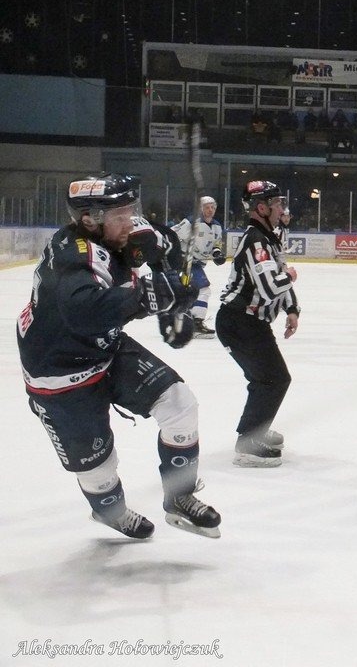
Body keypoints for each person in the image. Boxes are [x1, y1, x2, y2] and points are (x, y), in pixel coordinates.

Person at [16, 173, 221, 539]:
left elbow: (164, 243)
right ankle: (110, 513)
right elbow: (83, 311)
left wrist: (173, 295)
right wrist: (149, 298)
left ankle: (179, 496)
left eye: (131, 210)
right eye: (121, 215)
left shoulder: (115, 230)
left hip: (104, 347)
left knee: (180, 405)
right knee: (98, 466)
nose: (131, 220)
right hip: (58, 372)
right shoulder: (72, 256)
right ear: (90, 219)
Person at [216, 180, 300, 467]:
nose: (281, 208)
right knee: (274, 379)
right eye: (277, 204)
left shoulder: (268, 238)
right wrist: (290, 276)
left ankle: (255, 431)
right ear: (261, 208)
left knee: (267, 378)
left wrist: (292, 308)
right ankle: (249, 442)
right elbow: (269, 286)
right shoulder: (256, 241)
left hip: (248, 323)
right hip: (240, 323)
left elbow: (276, 279)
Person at [171, 196, 226, 337]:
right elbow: (173, 235)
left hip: (196, 264)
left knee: (189, 292)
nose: (210, 210)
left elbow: (216, 244)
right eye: (207, 207)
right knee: (204, 290)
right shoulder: (191, 222)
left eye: (212, 207)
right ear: (200, 208)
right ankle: (196, 323)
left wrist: (217, 254)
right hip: (186, 262)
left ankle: (184, 322)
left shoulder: (217, 226)